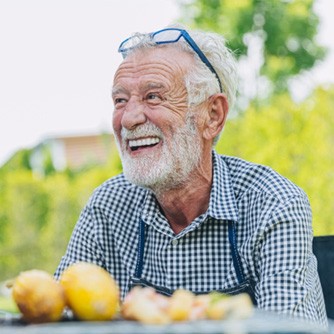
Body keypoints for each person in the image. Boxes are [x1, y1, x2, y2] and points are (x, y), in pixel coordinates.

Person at [55, 24, 327, 327]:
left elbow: (283, 332)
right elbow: (58, 316)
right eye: (120, 100)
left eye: (153, 96)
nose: (129, 118)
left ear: (213, 116)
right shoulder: (108, 205)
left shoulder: (273, 204)